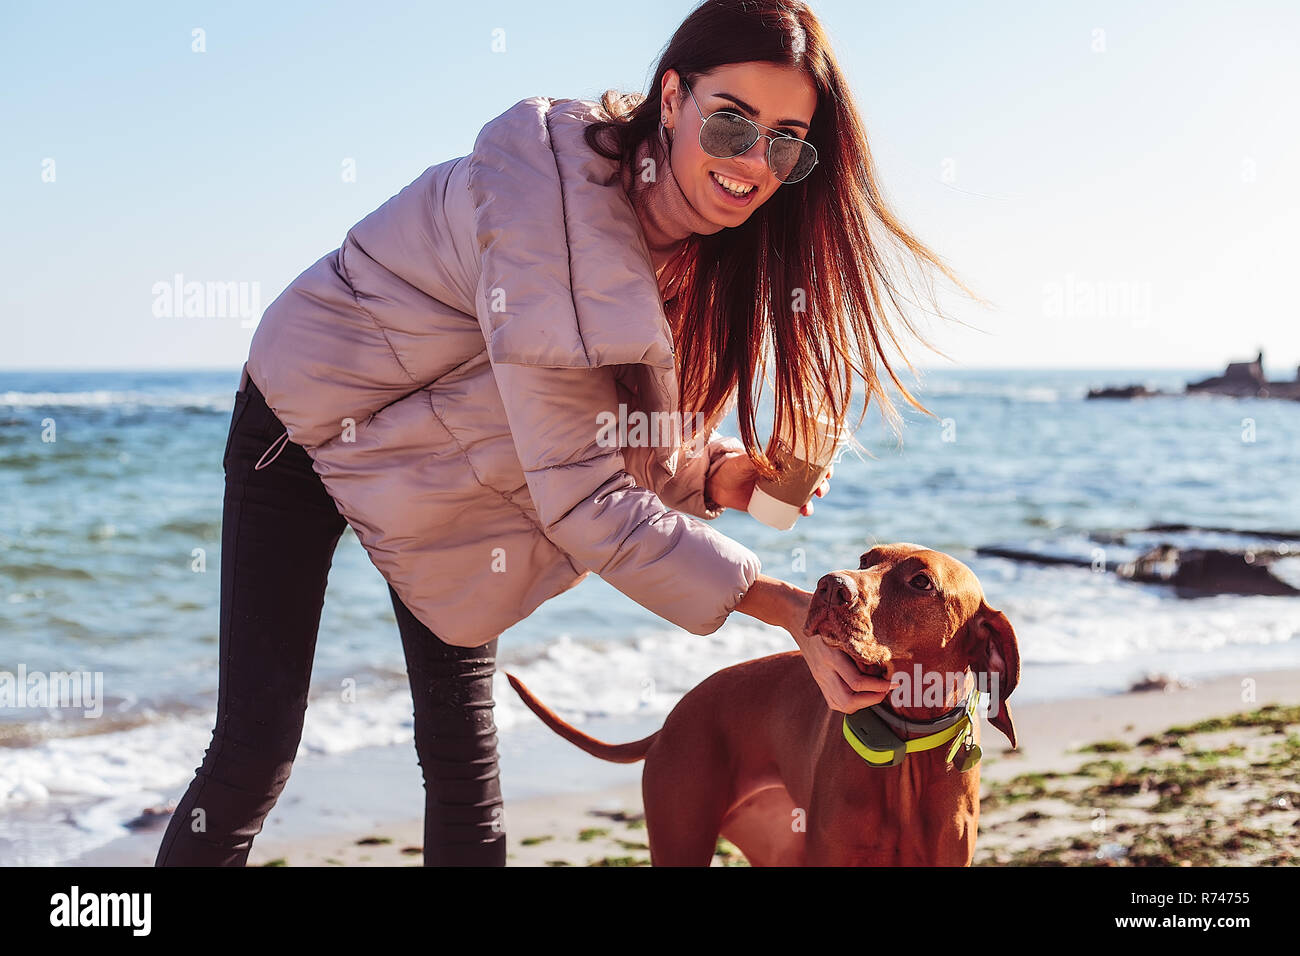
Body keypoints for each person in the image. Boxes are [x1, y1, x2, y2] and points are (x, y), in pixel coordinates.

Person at [155, 0, 980, 868]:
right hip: (309, 417)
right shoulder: (543, 197)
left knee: (465, 764)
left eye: (783, 142)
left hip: (456, 465)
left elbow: (595, 421)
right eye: (732, 122)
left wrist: (720, 475)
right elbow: (585, 491)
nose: (751, 164)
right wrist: (783, 610)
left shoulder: (695, 249)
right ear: (673, 97)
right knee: (257, 746)